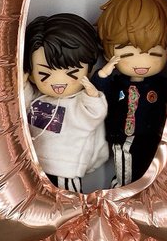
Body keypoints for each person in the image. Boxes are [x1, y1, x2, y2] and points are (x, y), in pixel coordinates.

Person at [93, 0, 167, 187]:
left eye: (155, 54)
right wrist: (104, 74)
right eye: (128, 55)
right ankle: (121, 191)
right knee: (125, 172)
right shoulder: (117, 84)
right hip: (121, 136)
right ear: (109, 53)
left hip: (153, 137)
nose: (141, 62)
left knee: (150, 172)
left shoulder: (160, 84)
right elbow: (99, 93)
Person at [22, 13, 108, 194]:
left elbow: (95, 114)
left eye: (72, 73)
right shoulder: (40, 99)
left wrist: (92, 96)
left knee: (68, 201)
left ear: (89, 70)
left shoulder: (79, 103)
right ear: (32, 74)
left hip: (66, 169)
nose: (58, 82)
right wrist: (23, 85)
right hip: (34, 166)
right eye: (44, 74)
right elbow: (27, 105)